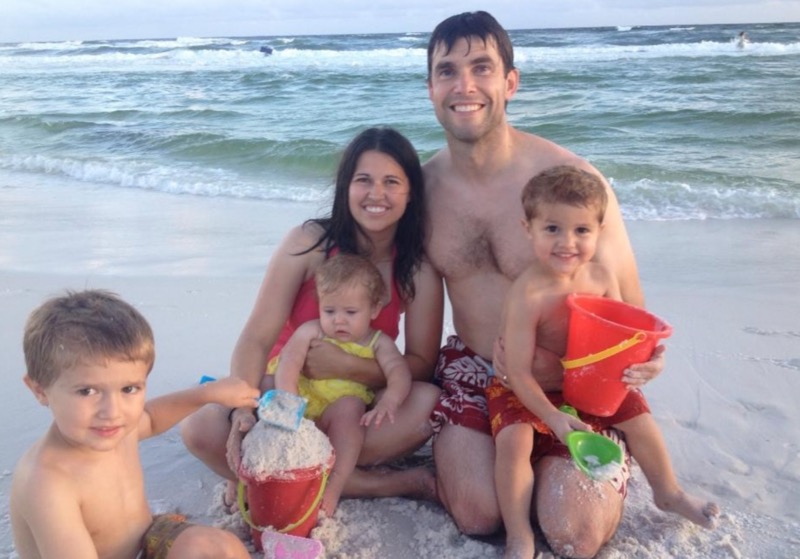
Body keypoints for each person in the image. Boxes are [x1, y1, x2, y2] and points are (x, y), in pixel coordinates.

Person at [422, 11, 667, 557]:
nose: (464, 86)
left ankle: (561, 472)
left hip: (572, 380)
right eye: (447, 70)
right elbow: (402, 302)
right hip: (476, 366)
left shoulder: (574, 186)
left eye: (481, 67)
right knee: (476, 513)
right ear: (430, 86)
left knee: (573, 534)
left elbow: (629, 306)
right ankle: (488, 474)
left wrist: (647, 360)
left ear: (510, 82)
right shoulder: (423, 190)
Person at [181, 126, 442, 511]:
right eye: (363, 180)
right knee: (199, 427)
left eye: (392, 182)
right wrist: (241, 409)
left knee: (429, 404)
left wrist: (350, 368)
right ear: (345, 187)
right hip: (281, 397)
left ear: (410, 193)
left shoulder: (415, 269)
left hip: (352, 409)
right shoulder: (308, 243)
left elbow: (422, 365)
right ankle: (372, 483)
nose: (376, 194)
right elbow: (256, 337)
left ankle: (272, 476)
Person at [489, 166, 720, 558]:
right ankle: (518, 534)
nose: (567, 243)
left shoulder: (600, 276)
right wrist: (555, 418)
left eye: (581, 230)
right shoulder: (527, 293)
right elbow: (519, 372)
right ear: (528, 228)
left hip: (589, 380)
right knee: (513, 442)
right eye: (552, 229)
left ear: (599, 231)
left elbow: (623, 336)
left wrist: (649, 361)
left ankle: (668, 492)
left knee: (640, 421)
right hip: (529, 386)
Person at [10, 289, 259, 559]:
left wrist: (208, 394)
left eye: (128, 389)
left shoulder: (112, 428)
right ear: (40, 390)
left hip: (141, 542)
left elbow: (151, 418)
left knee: (221, 549)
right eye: (87, 392)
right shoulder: (47, 482)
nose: (112, 411)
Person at [268, 253, 413, 514]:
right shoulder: (312, 330)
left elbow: (398, 371)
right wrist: (289, 401)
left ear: (375, 309)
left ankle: (335, 483)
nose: (339, 320)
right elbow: (289, 360)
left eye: (350, 312)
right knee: (265, 383)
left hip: (338, 412)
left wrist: (391, 399)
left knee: (350, 410)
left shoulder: (378, 342)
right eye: (330, 310)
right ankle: (249, 471)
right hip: (300, 408)